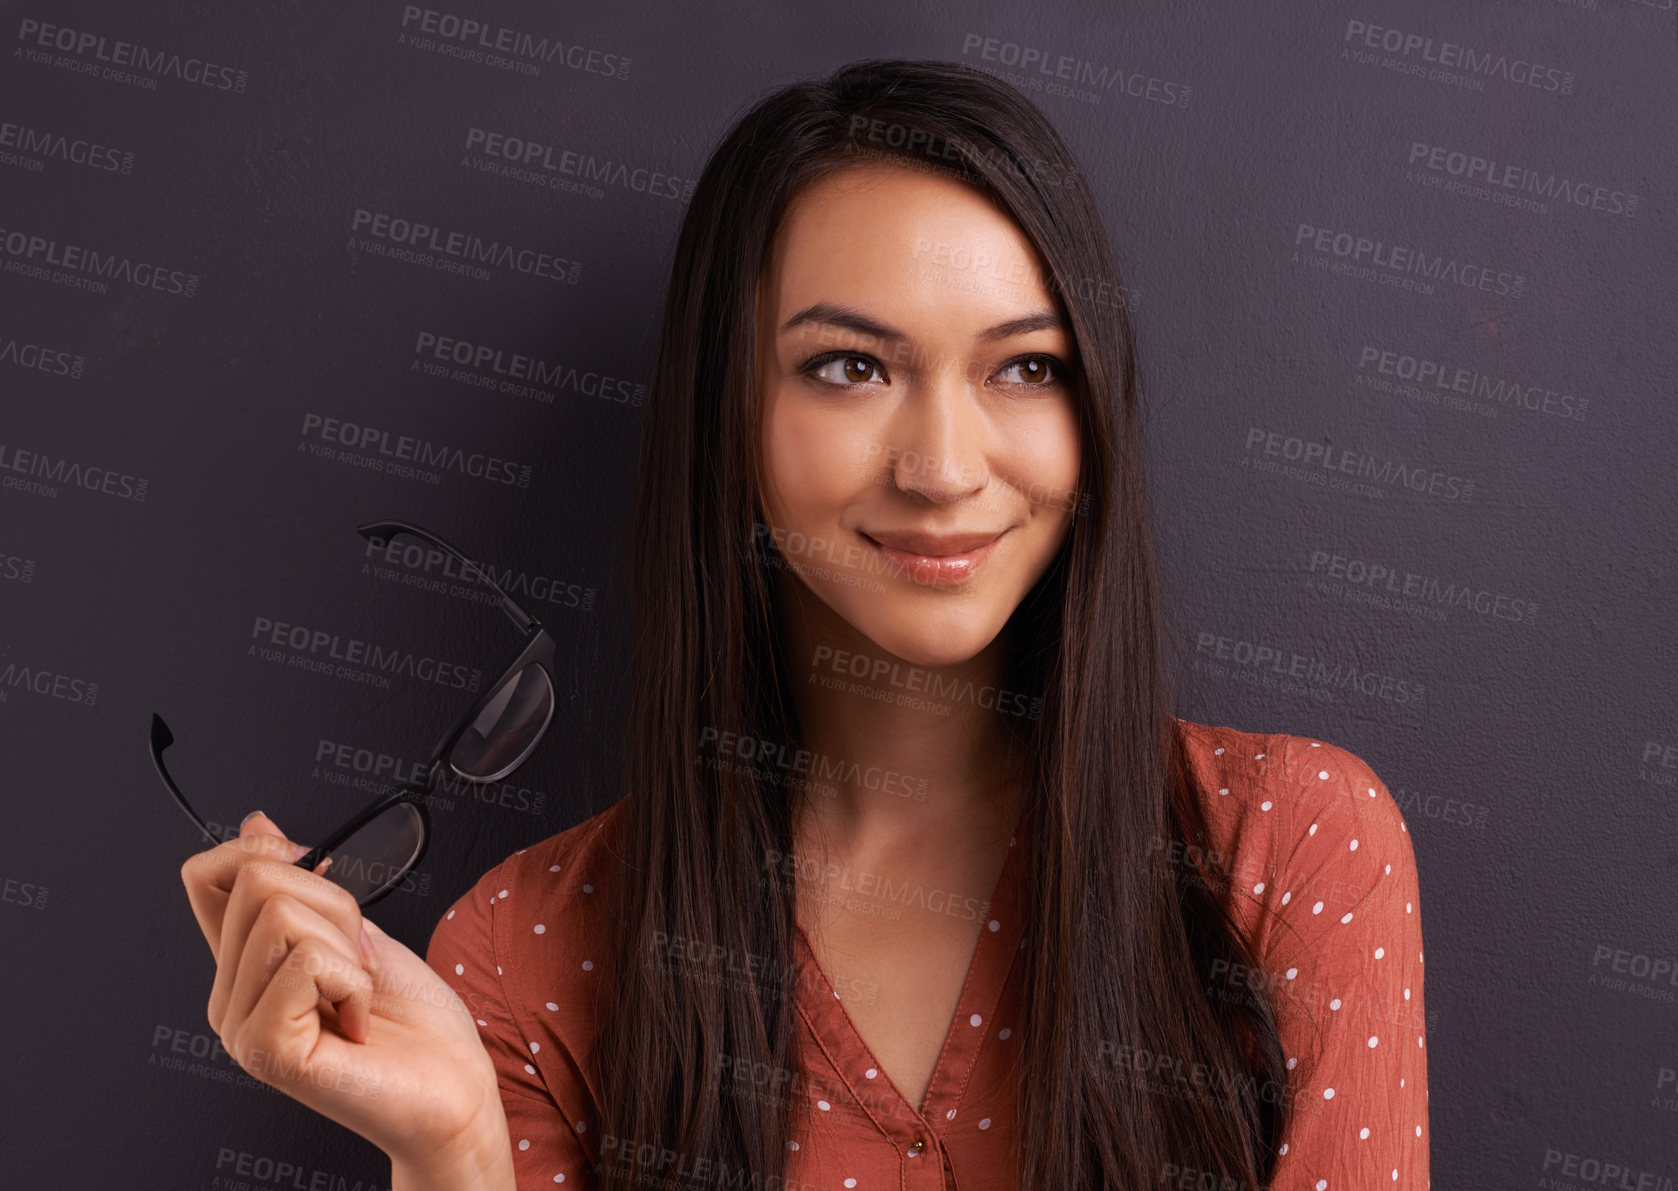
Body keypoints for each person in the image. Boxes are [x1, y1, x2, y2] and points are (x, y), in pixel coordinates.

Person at [180, 58, 1429, 1191]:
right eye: (851, 367)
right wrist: (449, 1152)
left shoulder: (1289, 848)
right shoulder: (527, 954)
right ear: (729, 416)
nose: (943, 468)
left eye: (1023, 368)